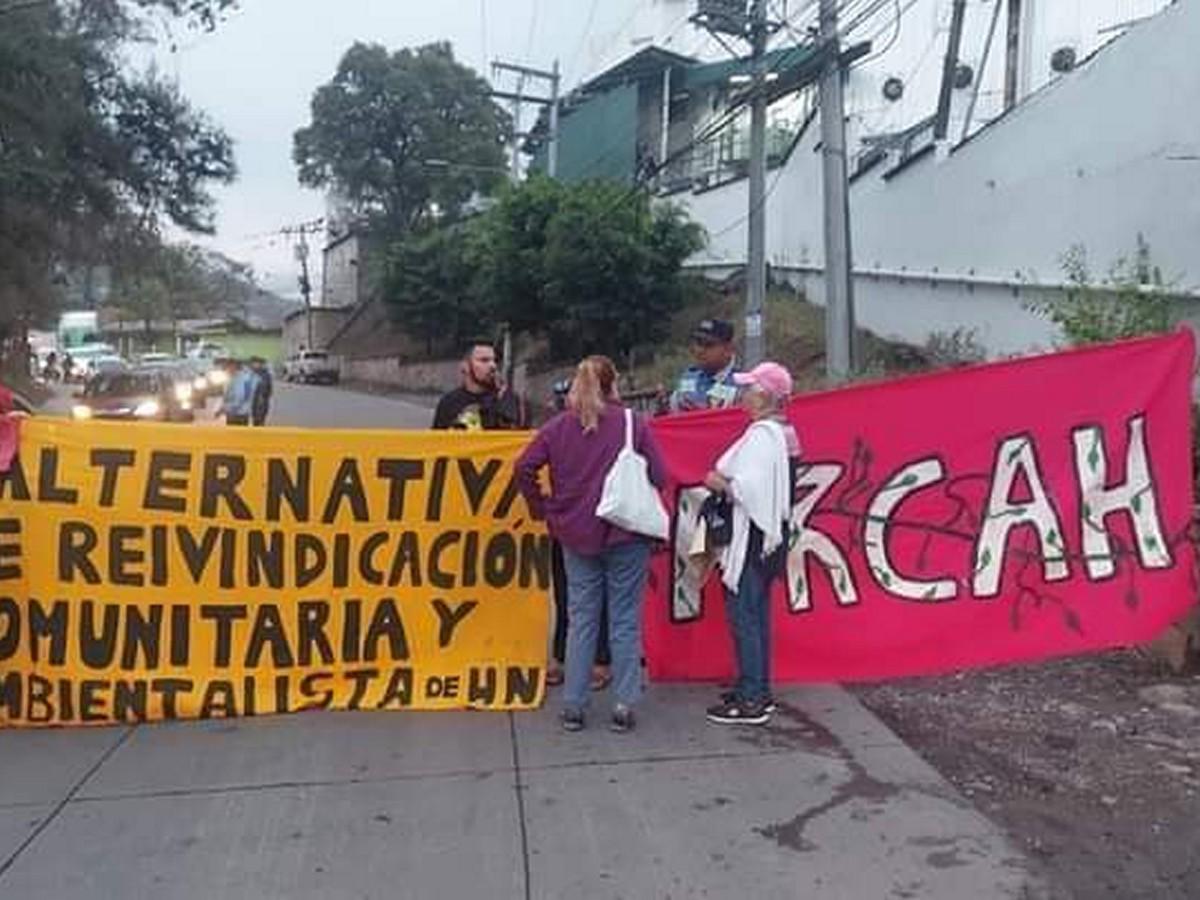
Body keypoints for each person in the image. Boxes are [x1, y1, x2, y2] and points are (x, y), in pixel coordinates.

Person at [516, 356, 666, 734]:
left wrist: (544, 507)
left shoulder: (557, 428)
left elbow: (524, 467)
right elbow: (660, 475)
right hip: (625, 533)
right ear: (613, 384)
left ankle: (574, 704)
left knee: (581, 616)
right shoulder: (632, 423)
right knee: (624, 619)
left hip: (574, 532)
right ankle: (624, 703)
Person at [702, 361, 799, 727]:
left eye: (750, 389)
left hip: (753, 533)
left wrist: (719, 483)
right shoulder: (783, 433)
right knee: (756, 614)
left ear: (764, 397)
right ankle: (755, 686)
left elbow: (750, 489)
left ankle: (751, 697)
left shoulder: (763, 436)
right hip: (770, 534)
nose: (743, 395)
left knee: (745, 614)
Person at [545, 378, 611, 691]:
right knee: (577, 597)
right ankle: (582, 661)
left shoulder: (612, 425)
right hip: (579, 525)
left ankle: (580, 664)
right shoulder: (556, 430)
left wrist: (540, 506)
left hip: (586, 524)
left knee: (578, 597)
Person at [432, 340, 530, 431]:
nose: (493, 366)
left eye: (494, 360)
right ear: (465, 366)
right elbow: (438, 442)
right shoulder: (449, 403)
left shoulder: (511, 400)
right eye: (484, 360)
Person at [670, 318, 740, 412]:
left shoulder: (741, 383)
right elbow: (672, 413)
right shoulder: (688, 376)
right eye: (698, 343)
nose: (700, 351)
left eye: (709, 345)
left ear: (728, 349)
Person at [220, 359, 257, 427]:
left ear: (234, 367)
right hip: (241, 413)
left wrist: (224, 409)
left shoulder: (239, 379)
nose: (226, 370)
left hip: (237, 415)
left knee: (233, 436)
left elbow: (239, 398)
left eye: (227, 367)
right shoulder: (243, 377)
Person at [250, 357, 273, 426]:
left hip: (261, 402)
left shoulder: (266, 375)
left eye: (256, 363)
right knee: (255, 420)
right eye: (253, 363)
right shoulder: (250, 373)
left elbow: (269, 390)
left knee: (260, 420)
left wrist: (264, 398)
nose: (254, 365)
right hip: (253, 401)